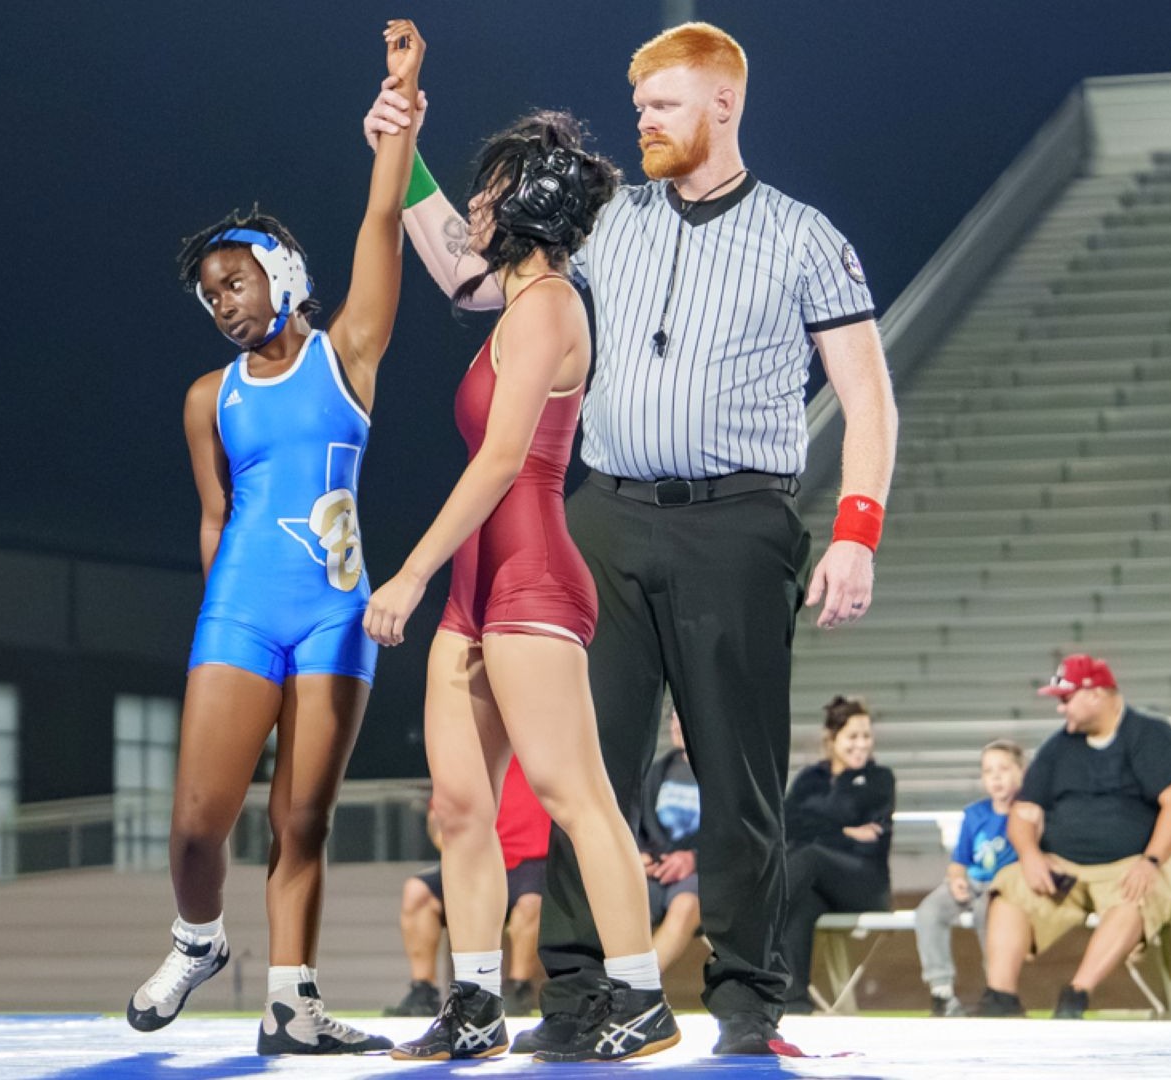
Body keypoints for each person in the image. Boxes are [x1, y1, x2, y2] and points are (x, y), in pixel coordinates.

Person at [364, 20, 898, 1055]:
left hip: (739, 523)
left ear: (723, 105)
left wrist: (855, 531)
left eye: (663, 105)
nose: (643, 122)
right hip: (602, 511)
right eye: (641, 105)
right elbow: (470, 272)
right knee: (583, 769)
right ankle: (577, 999)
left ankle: (745, 1007)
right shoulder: (608, 225)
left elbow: (868, 402)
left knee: (738, 776)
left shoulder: (805, 237)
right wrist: (408, 149)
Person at [124, 20, 424, 1056]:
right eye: (209, 297)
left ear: (281, 270)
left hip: (334, 614)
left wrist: (400, 110)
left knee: (300, 822)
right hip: (243, 610)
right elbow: (215, 519)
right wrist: (223, 619)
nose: (223, 305)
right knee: (197, 823)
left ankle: (291, 1002)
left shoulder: (348, 356)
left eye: (234, 282)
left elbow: (384, 218)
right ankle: (197, 938)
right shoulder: (208, 398)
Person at [359, 103, 680, 1063]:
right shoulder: (514, 292)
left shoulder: (550, 307)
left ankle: (642, 1002)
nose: (473, 205)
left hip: (531, 573)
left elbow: (502, 461)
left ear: (528, 207)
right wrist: (400, 134)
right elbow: (443, 251)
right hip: (477, 582)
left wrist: (409, 574)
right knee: (458, 806)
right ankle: (475, 1006)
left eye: (490, 190)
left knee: (572, 793)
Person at [972, 655, 1171, 1020]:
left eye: (1066, 698)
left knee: (1135, 894)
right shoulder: (1058, 747)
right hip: (1068, 869)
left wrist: (1152, 861)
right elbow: (1023, 812)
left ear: (1095, 694)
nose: (1061, 709)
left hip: (1141, 860)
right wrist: (1030, 855)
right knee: (1009, 885)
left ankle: (1076, 996)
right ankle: (1000, 998)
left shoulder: (1152, 736)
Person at [384, 757, 550, 1018]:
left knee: (532, 901)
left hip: (528, 862)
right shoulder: (474, 756)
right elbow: (437, 816)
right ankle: (422, 991)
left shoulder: (539, 754)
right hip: (476, 860)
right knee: (417, 891)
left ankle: (517, 989)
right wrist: (455, 852)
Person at [777, 697, 895, 1014]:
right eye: (853, 737)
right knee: (800, 907)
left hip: (865, 884)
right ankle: (795, 1003)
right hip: (819, 886)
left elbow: (872, 842)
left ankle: (758, 914)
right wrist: (843, 831)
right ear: (832, 739)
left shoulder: (880, 779)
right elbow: (787, 825)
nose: (862, 745)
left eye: (866, 736)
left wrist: (816, 829)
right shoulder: (809, 779)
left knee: (808, 857)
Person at [913, 740, 1025, 1016]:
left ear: (1021, 772)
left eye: (1004, 769)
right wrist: (956, 880)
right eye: (989, 771)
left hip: (1003, 885)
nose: (996, 777)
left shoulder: (1027, 812)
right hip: (973, 881)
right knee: (928, 911)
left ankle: (998, 990)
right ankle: (942, 992)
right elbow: (959, 861)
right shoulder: (975, 814)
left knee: (987, 913)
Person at [638, 707, 702, 973]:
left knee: (685, 904)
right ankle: (610, 986)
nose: (676, 724)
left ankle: (641, 986)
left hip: (704, 872)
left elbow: (738, 833)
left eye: (684, 714)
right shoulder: (656, 771)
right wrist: (639, 855)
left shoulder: (729, 775)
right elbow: (633, 821)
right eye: (673, 716)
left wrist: (695, 857)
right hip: (655, 867)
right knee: (626, 900)